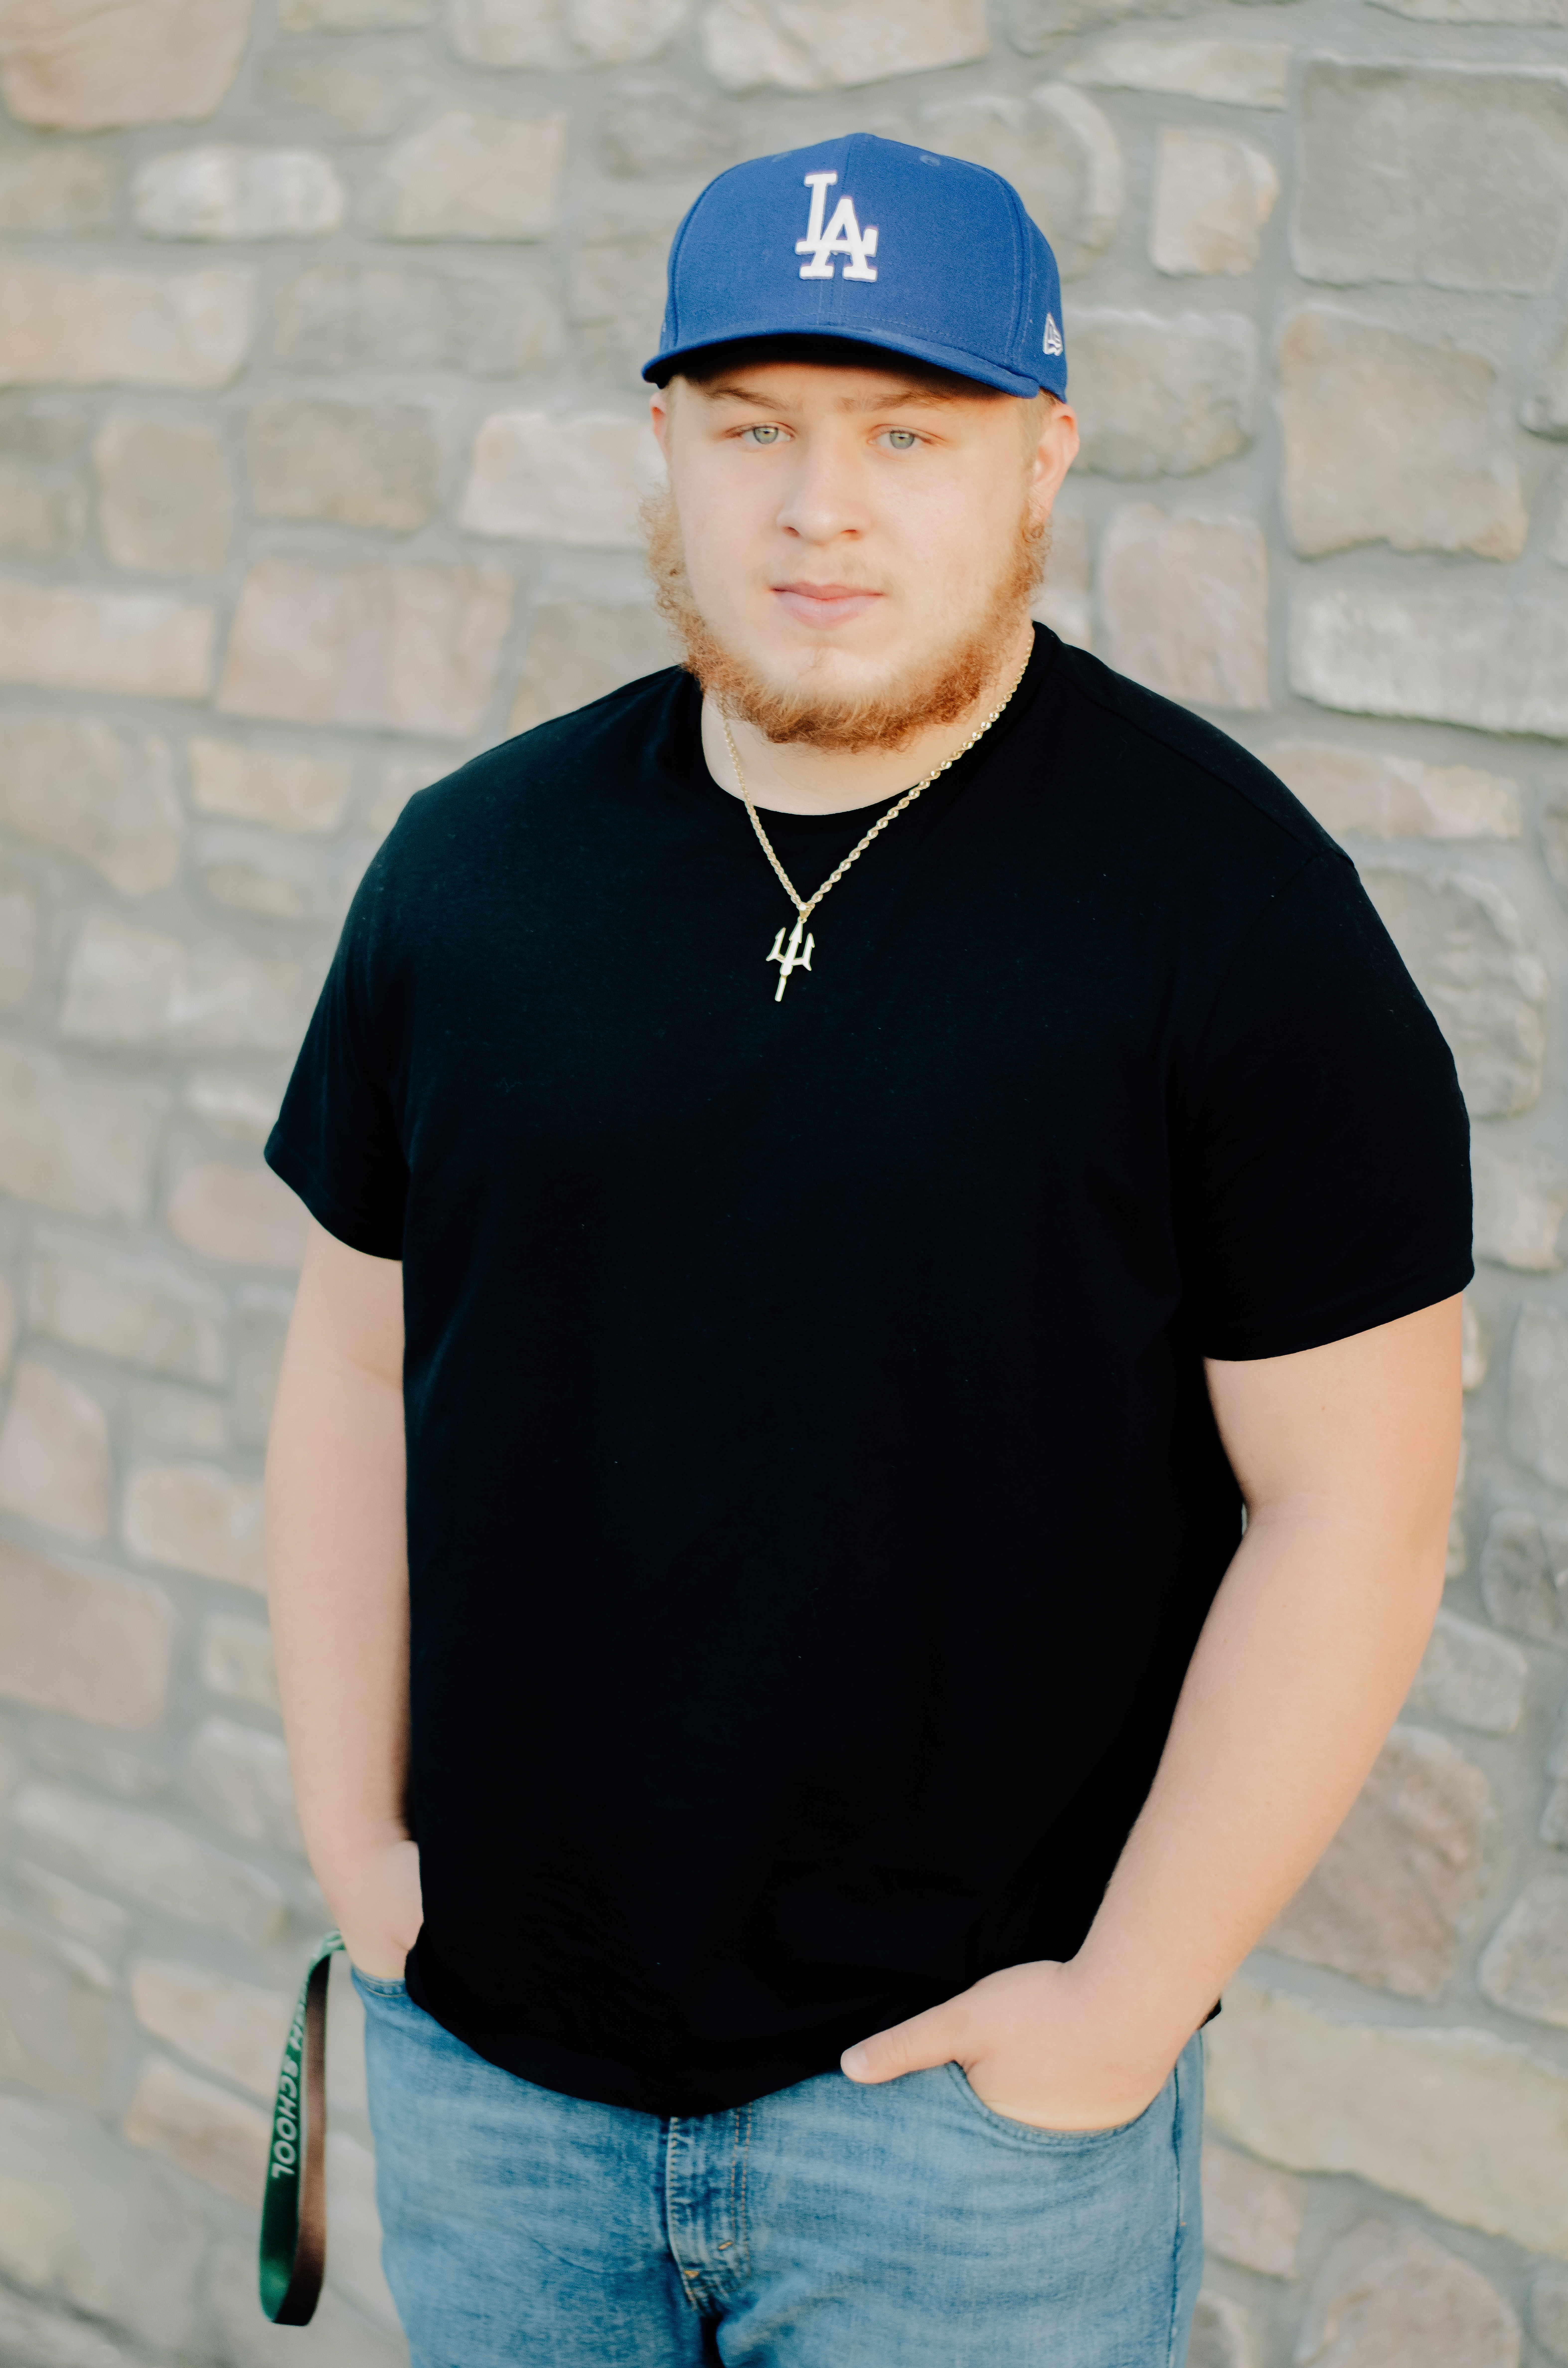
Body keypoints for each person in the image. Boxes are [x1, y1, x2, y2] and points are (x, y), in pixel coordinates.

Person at [263, 132, 1471, 2368]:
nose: (823, 507)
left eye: (907, 433)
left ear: (1041, 458)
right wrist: (361, 1854)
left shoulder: (1228, 916)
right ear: (668, 450)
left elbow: (1360, 1505)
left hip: (951, 2148)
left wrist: (1112, 2020)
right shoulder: (472, 873)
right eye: (756, 432)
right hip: (496, 2088)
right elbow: (354, 1373)